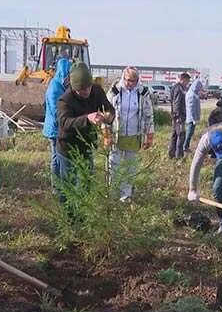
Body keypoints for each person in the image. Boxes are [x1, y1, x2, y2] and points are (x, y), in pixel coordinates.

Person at [56, 62, 115, 209]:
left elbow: (109, 109)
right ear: (74, 88)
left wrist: (108, 116)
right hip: (67, 148)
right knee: (68, 187)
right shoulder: (65, 100)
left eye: (88, 87)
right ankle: (69, 217)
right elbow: (64, 123)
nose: (87, 91)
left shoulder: (96, 90)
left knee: (86, 182)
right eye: (82, 90)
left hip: (87, 146)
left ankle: (84, 214)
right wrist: (87, 118)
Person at [106, 66, 154, 202]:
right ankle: (112, 195)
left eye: (133, 81)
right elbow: (105, 112)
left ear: (138, 80)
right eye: (127, 80)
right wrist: (106, 134)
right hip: (116, 134)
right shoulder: (114, 91)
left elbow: (149, 115)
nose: (130, 83)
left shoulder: (143, 93)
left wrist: (149, 135)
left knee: (130, 167)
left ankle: (126, 195)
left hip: (134, 134)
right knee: (113, 165)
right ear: (123, 78)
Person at [43, 57, 72, 191]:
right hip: (55, 129)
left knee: (59, 157)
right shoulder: (55, 88)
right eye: (68, 73)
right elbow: (57, 112)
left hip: (60, 127)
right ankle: (57, 186)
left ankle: (60, 184)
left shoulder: (61, 85)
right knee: (57, 157)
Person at [168, 72, 190, 159]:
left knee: (174, 135)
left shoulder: (179, 88)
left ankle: (172, 154)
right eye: (187, 81)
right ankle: (179, 156)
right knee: (181, 135)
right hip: (179, 116)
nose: (187, 83)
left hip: (177, 116)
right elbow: (176, 103)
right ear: (183, 79)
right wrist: (177, 117)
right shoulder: (179, 89)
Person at [183, 74, 203, 151]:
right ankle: (185, 146)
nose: (200, 89)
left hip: (193, 118)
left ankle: (186, 146)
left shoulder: (194, 94)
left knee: (190, 133)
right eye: (199, 87)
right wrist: (193, 118)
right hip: (191, 118)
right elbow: (191, 108)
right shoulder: (191, 95)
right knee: (189, 133)